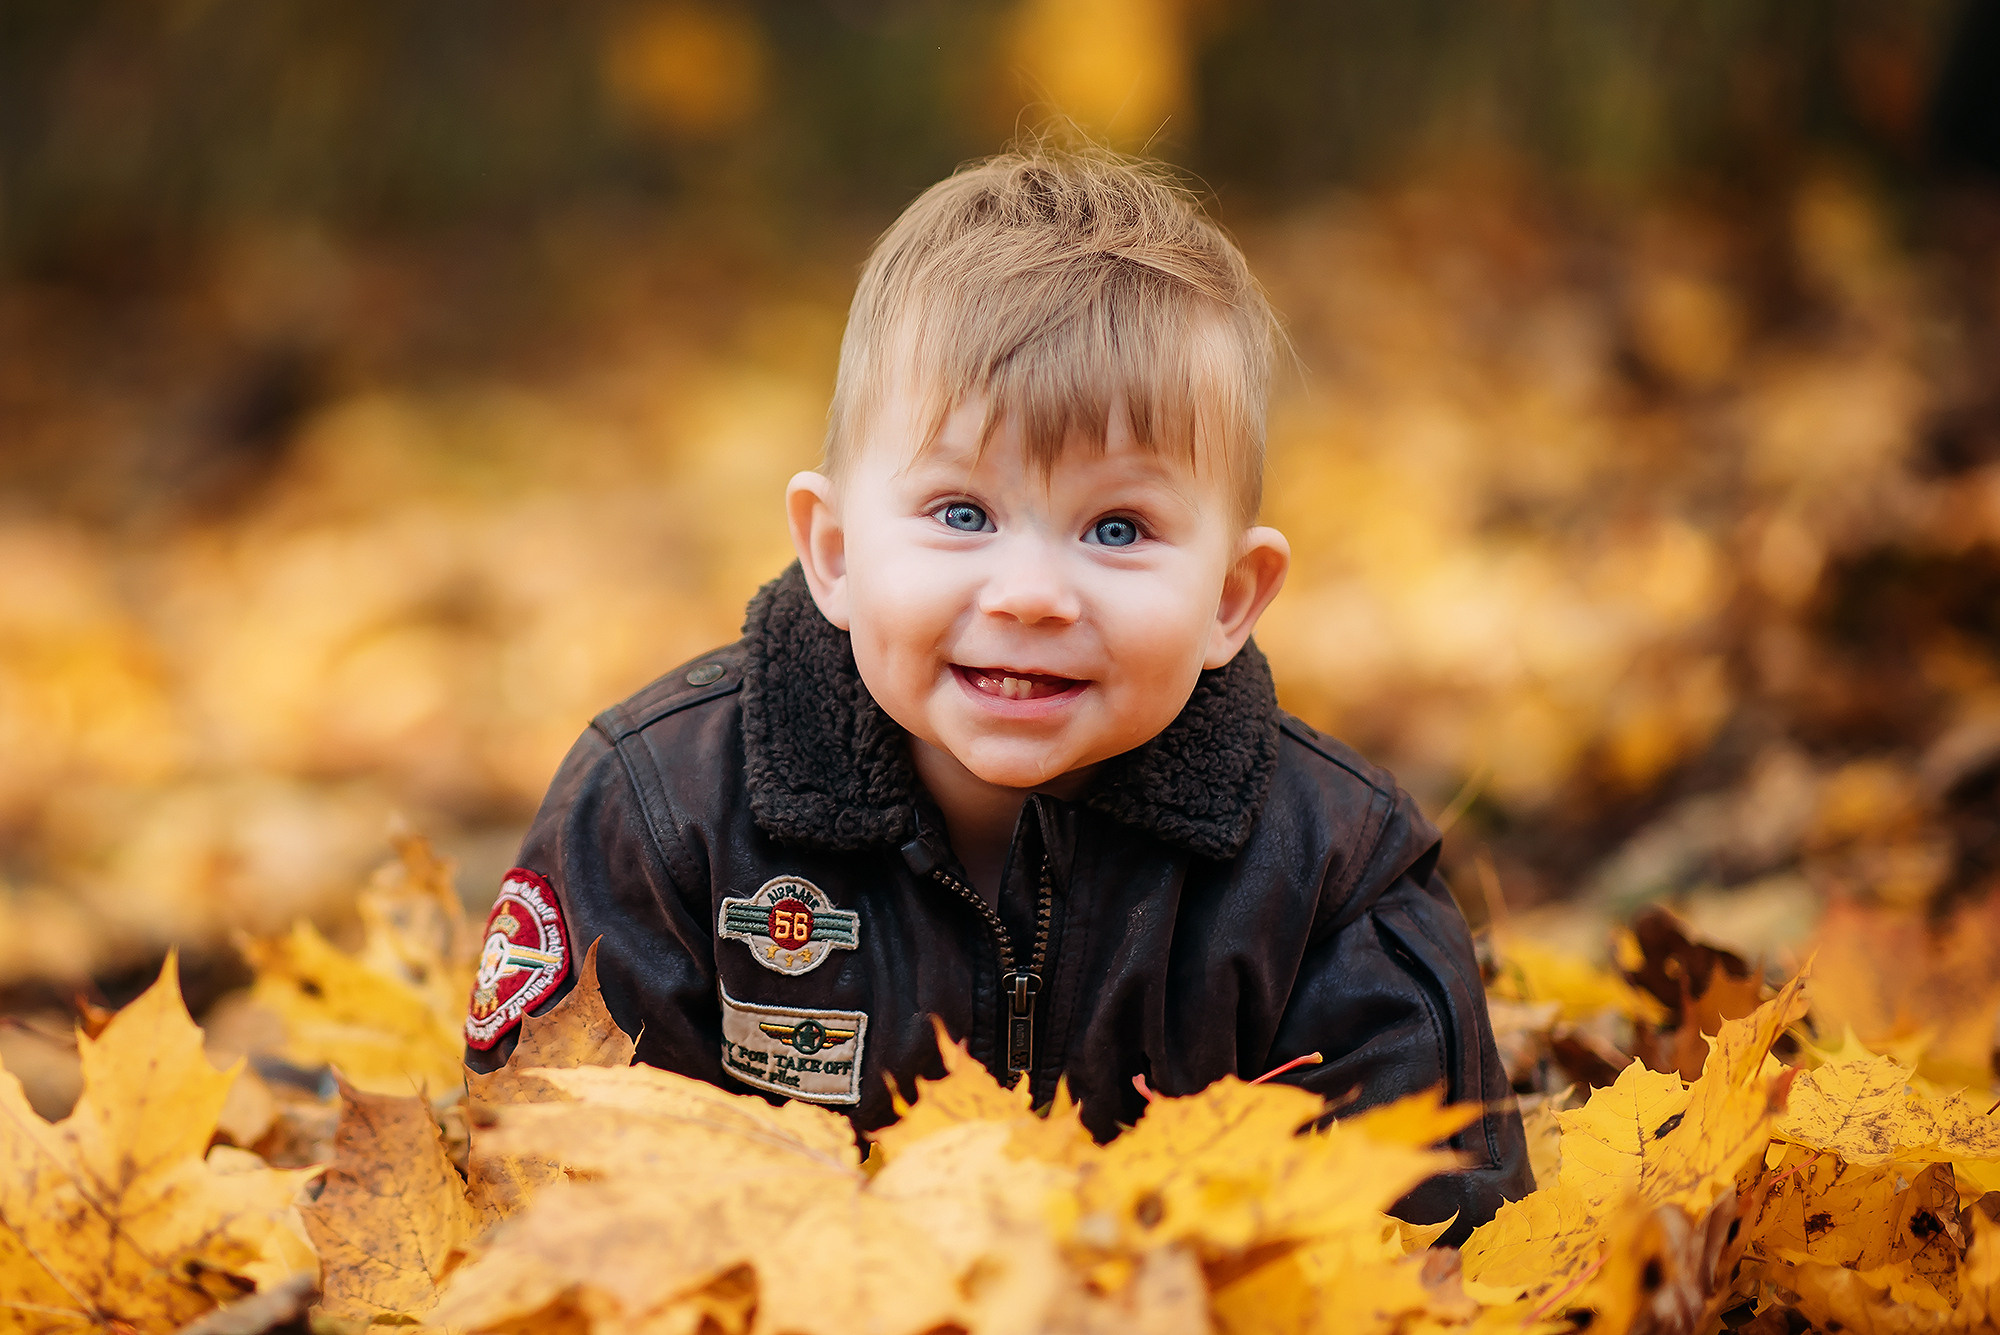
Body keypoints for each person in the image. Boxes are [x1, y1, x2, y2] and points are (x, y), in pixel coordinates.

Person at [463, 143, 1531, 1236]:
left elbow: (1432, 1251)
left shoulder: (1327, 878)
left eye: (1117, 529)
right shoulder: (661, 815)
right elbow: (548, 1196)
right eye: (961, 513)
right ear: (832, 551)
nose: (1028, 595)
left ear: (1231, 596)